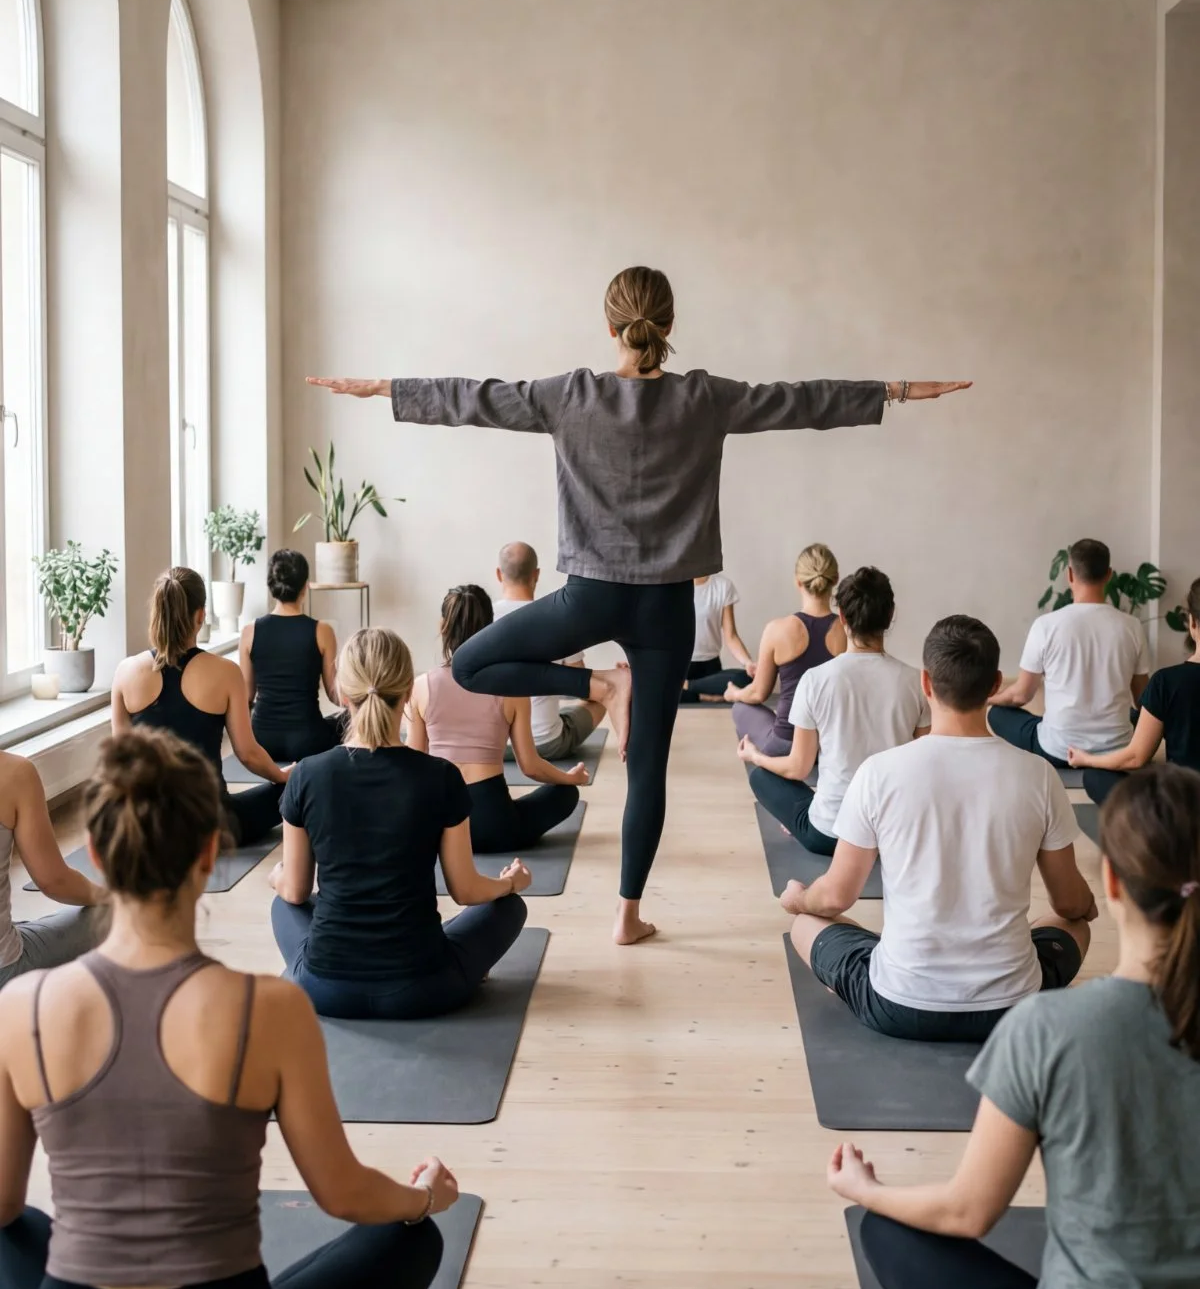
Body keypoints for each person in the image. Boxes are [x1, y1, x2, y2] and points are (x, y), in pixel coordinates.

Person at [309, 262, 969, 944]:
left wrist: (388, 389)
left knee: (471, 666)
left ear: (609, 324)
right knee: (646, 770)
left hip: (589, 599)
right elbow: (799, 401)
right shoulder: (703, 398)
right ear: (669, 325)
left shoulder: (570, 395)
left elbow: (476, 398)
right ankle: (627, 915)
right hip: (665, 615)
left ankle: (598, 685)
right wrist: (894, 390)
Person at [0, 727, 457, 1289]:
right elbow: (341, 1194)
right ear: (210, 853)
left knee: (16, 1230)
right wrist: (422, 1199)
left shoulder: (21, 1008)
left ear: (99, 857)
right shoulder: (269, 1012)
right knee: (410, 1239)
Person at [829, 763, 1200, 1289]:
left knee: (890, 1230)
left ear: (1115, 884)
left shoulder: (1052, 1027)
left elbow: (968, 1213)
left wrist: (864, 1190)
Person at [786, 615, 1095, 1041]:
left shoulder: (878, 773)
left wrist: (802, 899)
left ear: (926, 683)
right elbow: (1070, 902)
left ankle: (889, 959)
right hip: (1011, 1008)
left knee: (805, 925)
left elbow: (838, 895)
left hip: (899, 1005)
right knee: (1074, 927)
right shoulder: (1039, 775)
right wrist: (1084, 903)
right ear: (994, 685)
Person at [271, 627, 530, 1017]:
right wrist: (510, 882)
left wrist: (277, 875)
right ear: (409, 693)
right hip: (423, 987)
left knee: (282, 905)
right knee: (510, 908)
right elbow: (466, 890)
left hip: (323, 989)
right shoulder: (440, 776)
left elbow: (294, 891)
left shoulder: (307, 774)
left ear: (343, 692)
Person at [738, 565, 922, 845]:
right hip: (892, 834)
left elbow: (798, 768)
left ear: (843, 617)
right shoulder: (916, 681)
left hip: (829, 835)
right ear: (890, 614)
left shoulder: (815, 680)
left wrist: (754, 756)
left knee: (762, 776)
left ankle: (805, 813)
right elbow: (922, 766)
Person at [112, 567, 288, 844]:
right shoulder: (226, 672)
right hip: (212, 826)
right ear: (200, 615)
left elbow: (120, 764)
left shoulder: (125, 671)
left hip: (150, 827)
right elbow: (248, 754)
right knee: (301, 783)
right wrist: (282, 775)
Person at [408, 585, 585, 854]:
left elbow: (411, 765)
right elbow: (531, 766)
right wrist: (569, 778)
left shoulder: (421, 687)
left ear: (442, 626)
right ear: (491, 629)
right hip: (495, 825)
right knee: (565, 794)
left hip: (439, 829)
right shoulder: (510, 688)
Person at [989, 538, 1149, 768]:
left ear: (1070, 574)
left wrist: (986, 699)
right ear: (1109, 575)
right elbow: (1142, 699)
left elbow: (1020, 696)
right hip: (1117, 749)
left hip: (1059, 750)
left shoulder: (1046, 626)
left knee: (998, 714)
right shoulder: (1132, 626)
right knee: (1132, 717)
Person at [1068, 577, 1200, 806]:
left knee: (1094, 776)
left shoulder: (1166, 682)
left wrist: (1087, 758)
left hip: (1183, 814)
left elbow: (1135, 757)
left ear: (1193, 623)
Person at [0, 752, 105, 990]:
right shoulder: (14, 772)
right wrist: (108, 897)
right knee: (113, 916)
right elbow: (55, 882)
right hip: (4, 972)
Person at [492, 540, 604, 762]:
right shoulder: (557, 619)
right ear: (537, 574)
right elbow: (583, 688)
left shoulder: (482, 616)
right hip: (546, 745)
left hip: (492, 744)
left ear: (498, 574)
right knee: (600, 699)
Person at [730, 542, 845, 753]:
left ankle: (767, 766)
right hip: (830, 744)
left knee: (741, 707)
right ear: (835, 579)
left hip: (787, 743)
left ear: (798, 581)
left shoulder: (777, 630)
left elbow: (758, 694)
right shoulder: (848, 632)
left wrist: (734, 694)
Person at [239, 547, 345, 762]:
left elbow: (246, 697)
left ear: (272, 586)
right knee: (347, 720)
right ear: (305, 586)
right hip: (308, 740)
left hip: (262, 740)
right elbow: (335, 694)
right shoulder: (322, 631)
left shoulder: (250, 632)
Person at [678, 572, 755, 703]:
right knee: (648, 688)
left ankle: (687, 687)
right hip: (678, 668)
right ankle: (703, 696)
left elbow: (731, 636)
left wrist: (748, 663)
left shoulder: (722, 586)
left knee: (745, 680)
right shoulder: (672, 586)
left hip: (710, 671)